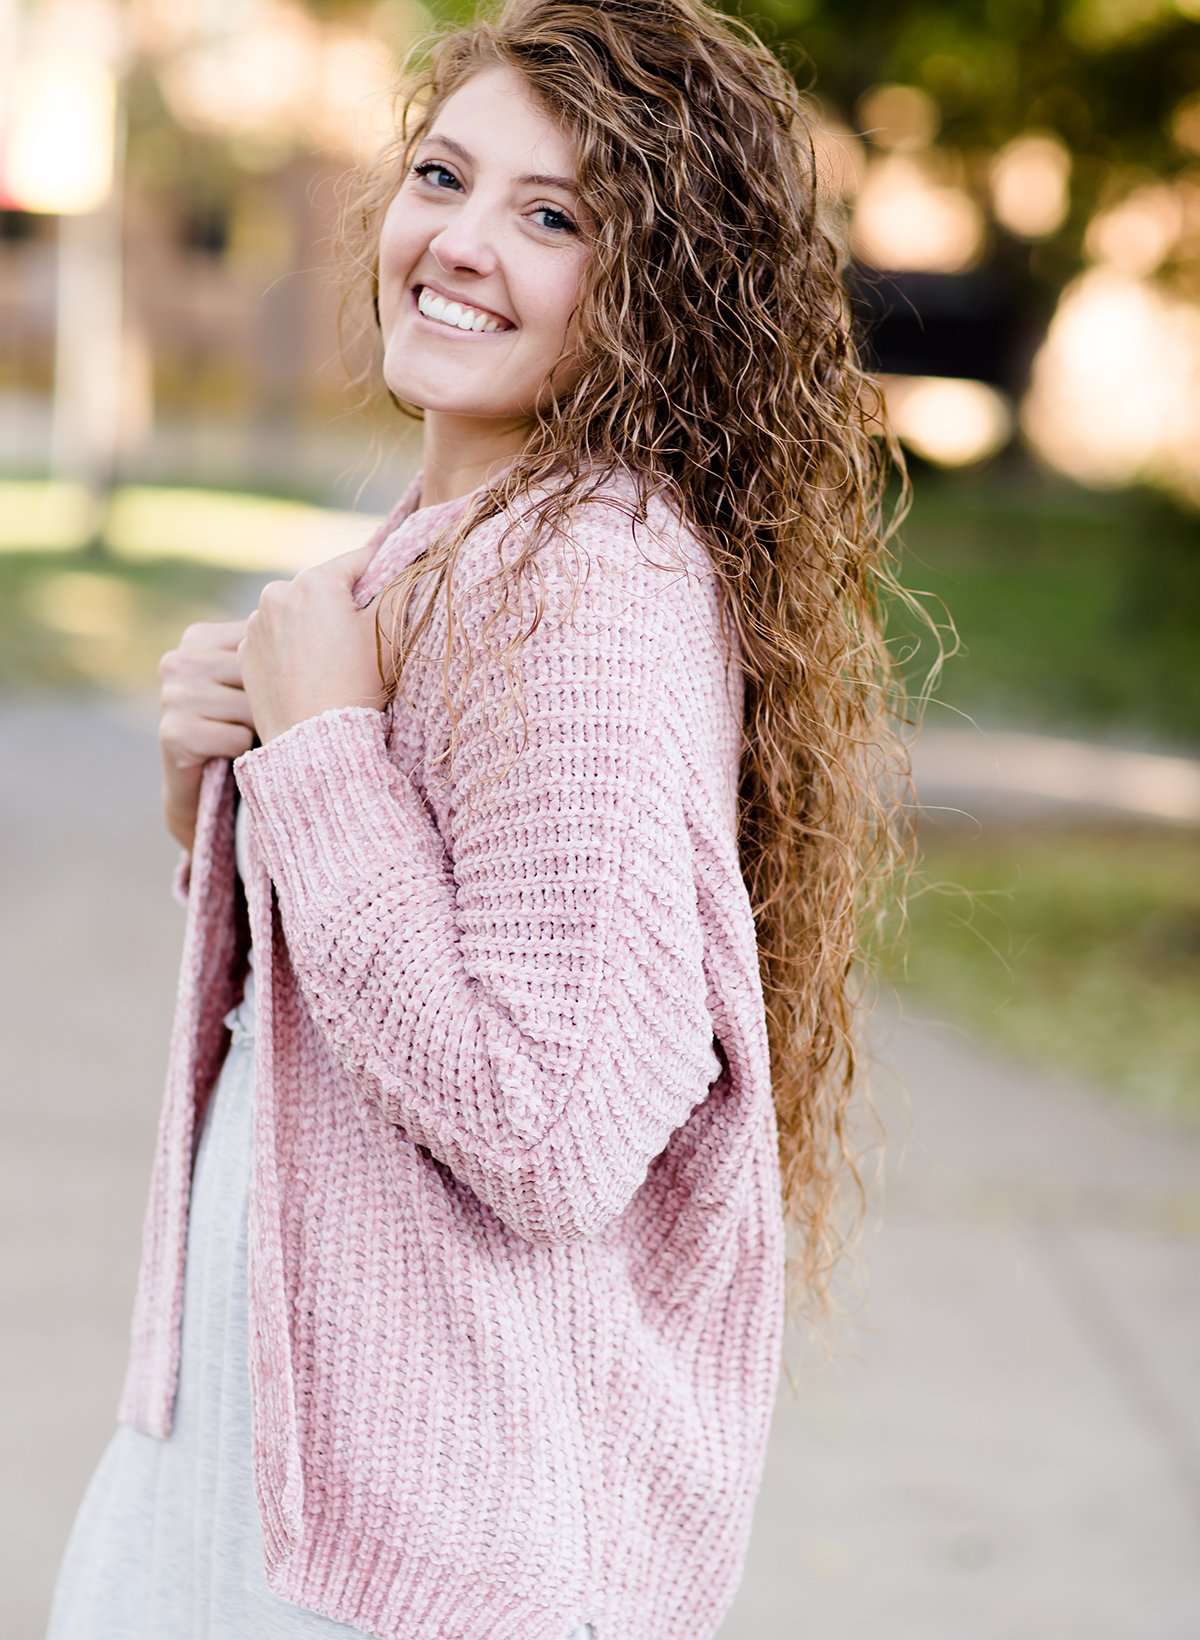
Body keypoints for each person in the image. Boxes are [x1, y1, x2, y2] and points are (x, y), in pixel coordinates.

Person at [46, 1, 933, 1636]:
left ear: (660, 291)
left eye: (553, 215)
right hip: (280, 1472)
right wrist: (218, 818)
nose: (460, 242)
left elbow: (543, 1125)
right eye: (444, 174)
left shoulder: (586, 585)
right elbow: (372, 1022)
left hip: (422, 1549)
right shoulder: (450, 543)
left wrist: (314, 758)